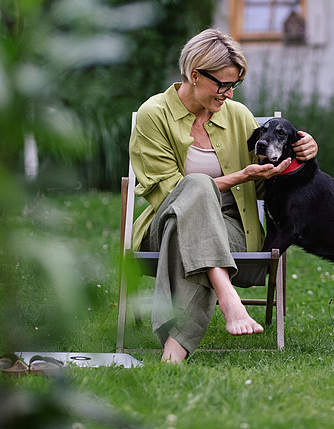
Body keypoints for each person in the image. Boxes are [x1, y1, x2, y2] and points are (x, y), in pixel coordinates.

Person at [129, 28, 317, 363]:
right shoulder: (153, 115)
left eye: (234, 86)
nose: (229, 95)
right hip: (164, 224)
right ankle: (228, 299)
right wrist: (241, 175)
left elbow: (265, 185)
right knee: (197, 186)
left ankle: (173, 354)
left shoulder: (238, 115)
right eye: (223, 85)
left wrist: (304, 153)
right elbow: (168, 194)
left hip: (233, 227)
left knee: (196, 233)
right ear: (195, 74)